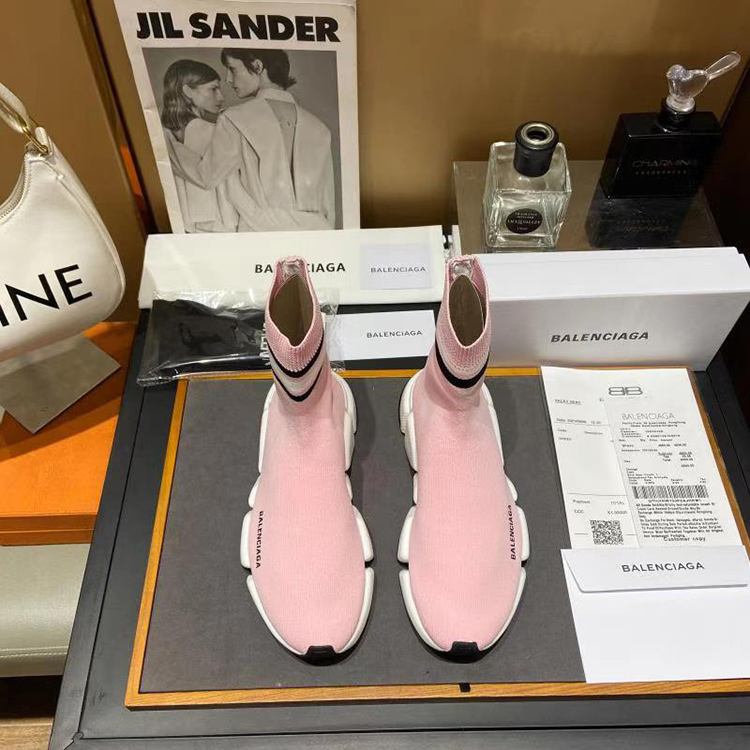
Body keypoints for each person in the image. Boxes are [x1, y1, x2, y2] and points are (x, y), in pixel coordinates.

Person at [167, 49, 336, 231]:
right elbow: (328, 208)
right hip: (315, 233)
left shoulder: (235, 119)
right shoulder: (320, 129)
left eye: (232, 69)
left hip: (258, 235)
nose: (228, 79)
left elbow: (206, 176)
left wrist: (169, 146)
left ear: (257, 66)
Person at [161, 59, 238, 232]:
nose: (221, 97)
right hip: (221, 228)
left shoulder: (164, 133)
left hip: (188, 227)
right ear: (188, 91)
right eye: (213, 89)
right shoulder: (211, 131)